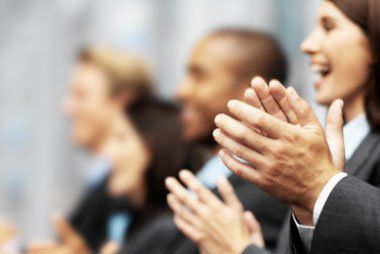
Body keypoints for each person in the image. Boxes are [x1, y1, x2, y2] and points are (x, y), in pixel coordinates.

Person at [213, 0, 380, 253]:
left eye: (329, 26)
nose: (307, 45)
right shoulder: (338, 145)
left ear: (374, 43)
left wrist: (318, 185)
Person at [118, 28, 289, 253]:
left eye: (199, 75)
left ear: (250, 91)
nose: (181, 91)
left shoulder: (261, 199)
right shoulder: (204, 182)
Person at [27, 47, 190, 254]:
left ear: (121, 102)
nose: (67, 107)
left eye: (80, 95)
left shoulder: (135, 198)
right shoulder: (112, 185)